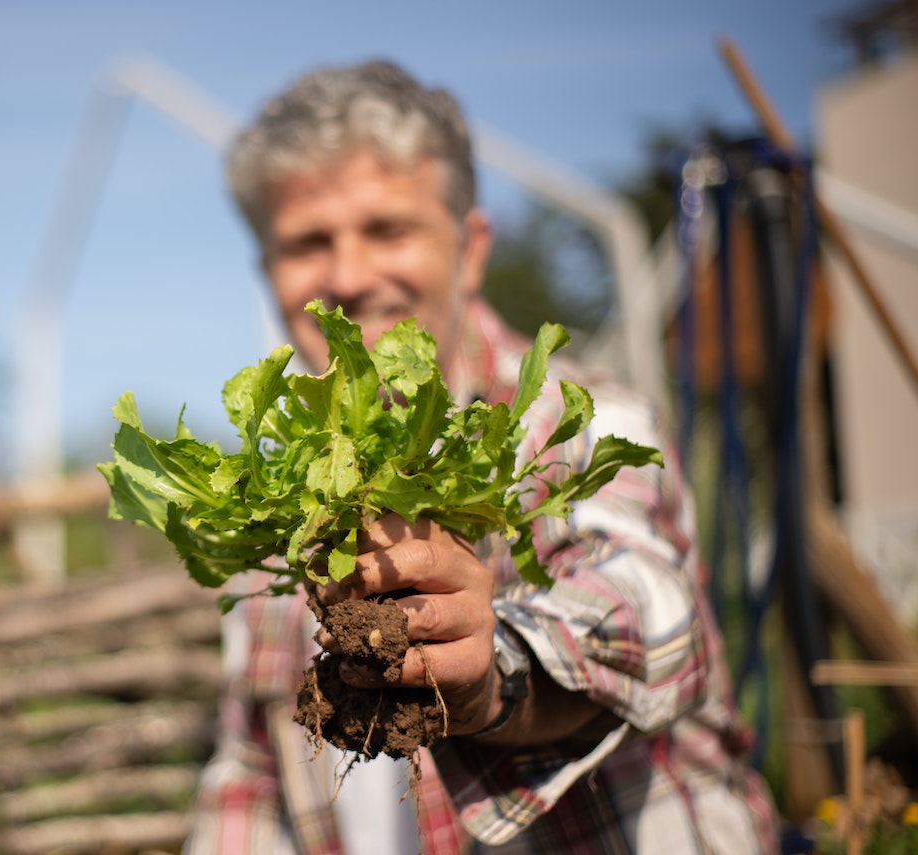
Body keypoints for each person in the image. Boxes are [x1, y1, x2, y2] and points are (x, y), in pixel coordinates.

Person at [182, 59, 778, 855]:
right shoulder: (279, 515)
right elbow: (251, 779)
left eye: (388, 229)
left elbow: (651, 614)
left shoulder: (570, 425)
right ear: (270, 275)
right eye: (308, 244)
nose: (351, 276)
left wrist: (491, 672)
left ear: (468, 250)